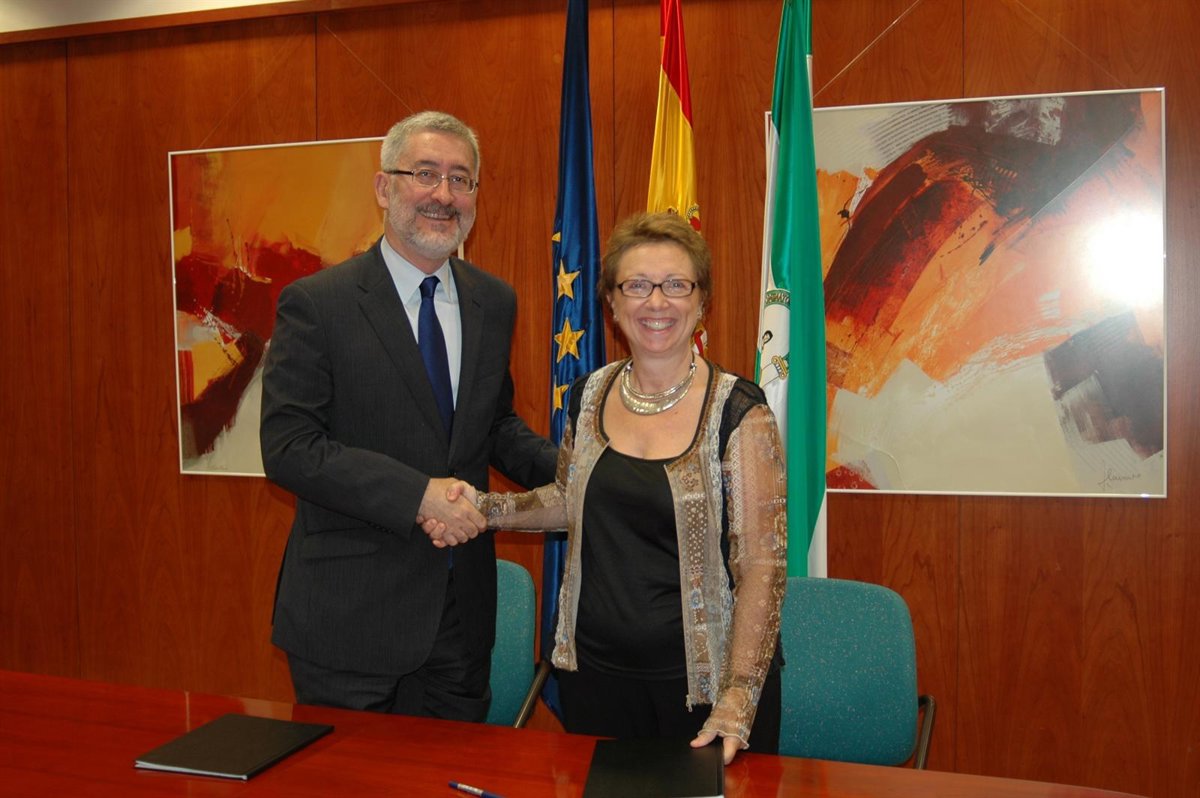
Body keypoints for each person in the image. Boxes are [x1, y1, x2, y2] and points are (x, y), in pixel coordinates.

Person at [434, 211, 787, 763]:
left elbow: (762, 565)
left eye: (676, 285)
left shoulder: (739, 411)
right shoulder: (589, 394)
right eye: (637, 285)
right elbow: (569, 498)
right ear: (612, 304)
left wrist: (739, 695)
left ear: (702, 302)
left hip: (705, 689)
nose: (656, 302)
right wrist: (479, 507)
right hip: (596, 678)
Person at [259, 110, 557, 722]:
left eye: (460, 179)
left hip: (460, 617)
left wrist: (590, 471)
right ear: (383, 187)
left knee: (453, 770)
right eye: (424, 173)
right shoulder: (317, 303)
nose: (443, 194)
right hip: (349, 619)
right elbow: (290, 447)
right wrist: (419, 495)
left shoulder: (493, 300)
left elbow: (492, 426)